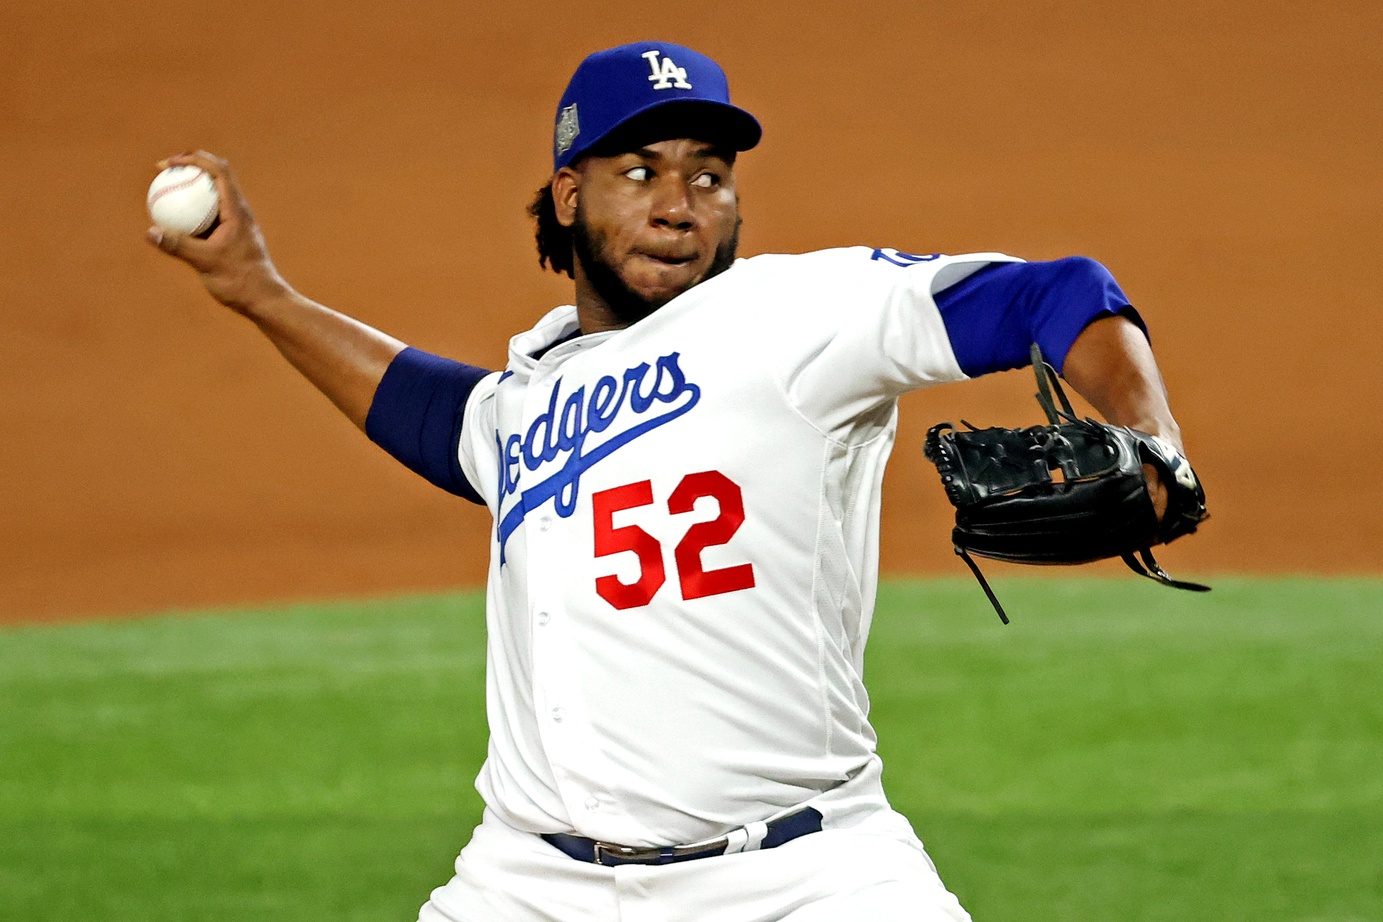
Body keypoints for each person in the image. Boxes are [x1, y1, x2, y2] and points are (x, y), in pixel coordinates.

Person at [149, 40, 1187, 922]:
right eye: (639, 171)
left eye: (709, 174)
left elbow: (1057, 294)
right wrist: (258, 292)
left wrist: (1153, 438)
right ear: (569, 192)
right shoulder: (530, 393)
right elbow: (432, 416)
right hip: (530, 882)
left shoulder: (802, 315)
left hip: (805, 876)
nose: (681, 204)